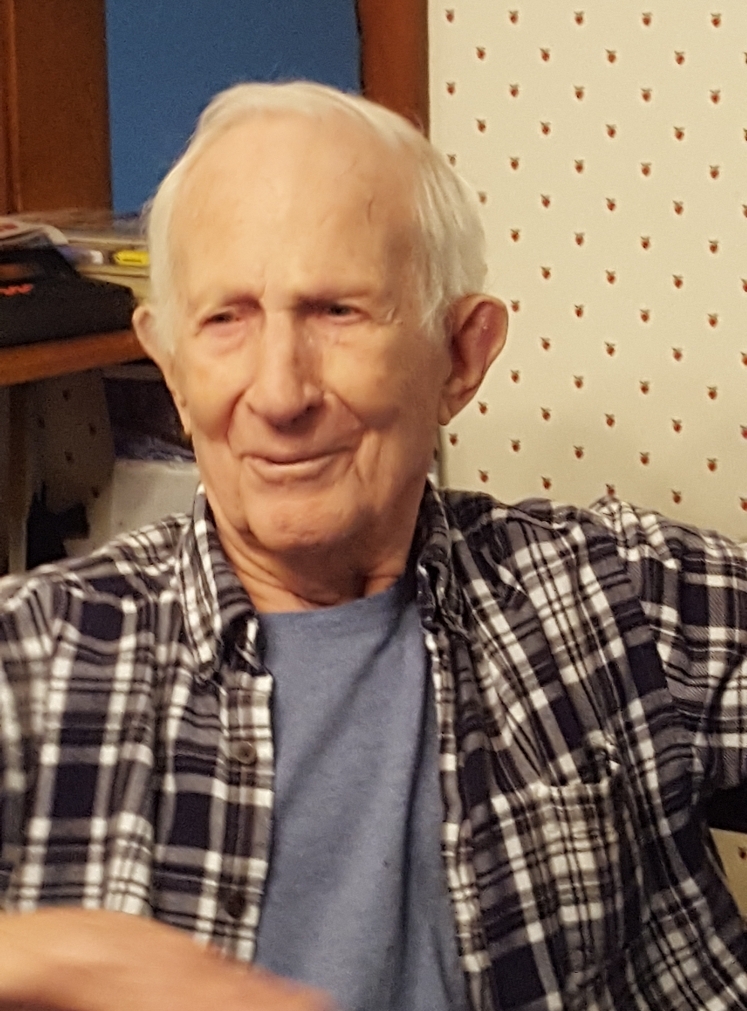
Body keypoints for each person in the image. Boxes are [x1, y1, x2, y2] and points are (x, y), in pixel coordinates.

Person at [0, 80, 746, 1011]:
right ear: (173, 367)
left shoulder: (616, 599)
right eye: (226, 319)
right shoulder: (36, 657)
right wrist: (48, 956)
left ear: (460, 355)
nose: (280, 393)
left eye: (336, 312)